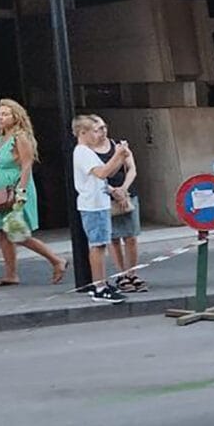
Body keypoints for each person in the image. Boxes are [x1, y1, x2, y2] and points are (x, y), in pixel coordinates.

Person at [0, 99, 68, 287]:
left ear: (16, 116)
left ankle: (56, 260)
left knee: (16, 231)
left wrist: (20, 192)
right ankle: (10, 273)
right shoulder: (2, 137)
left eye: (5, 114)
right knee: (2, 232)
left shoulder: (20, 137)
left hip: (15, 188)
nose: (1, 118)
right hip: (0, 190)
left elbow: (26, 165)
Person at [71, 115, 131, 303]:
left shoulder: (87, 152)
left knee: (100, 243)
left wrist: (120, 157)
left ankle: (101, 282)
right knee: (97, 245)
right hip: (93, 204)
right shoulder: (82, 152)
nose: (98, 135)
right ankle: (99, 286)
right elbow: (102, 172)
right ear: (83, 133)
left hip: (99, 201)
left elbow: (107, 173)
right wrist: (117, 154)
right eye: (94, 131)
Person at [88, 115, 147, 294]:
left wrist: (123, 189)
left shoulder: (119, 146)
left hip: (127, 193)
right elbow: (94, 175)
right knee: (113, 238)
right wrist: (113, 190)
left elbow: (132, 168)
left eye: (104, 127)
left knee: (131, 236)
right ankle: (121, 274)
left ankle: (132, 272)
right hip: (106, 195)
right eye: (98, 129)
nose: (102, 131)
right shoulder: (88, 151)